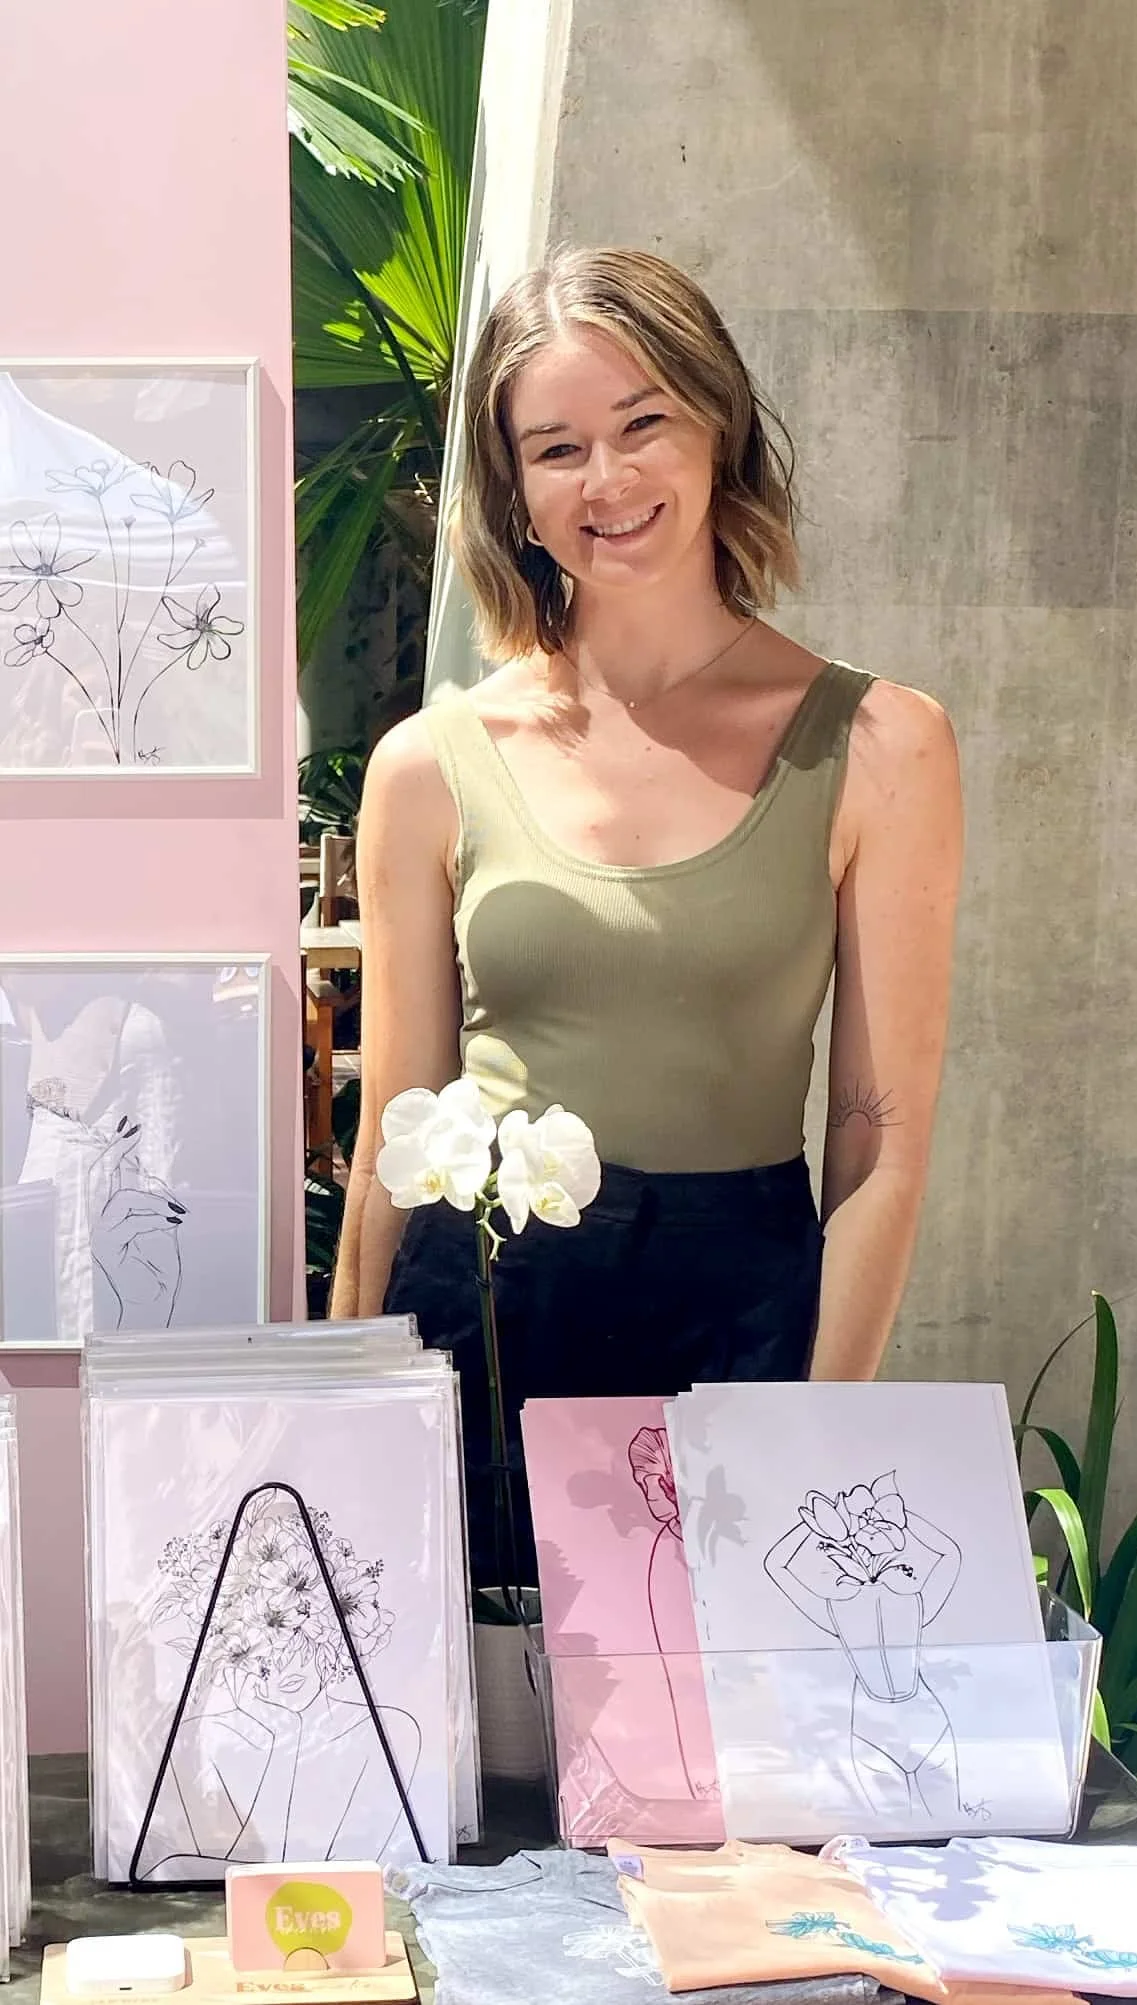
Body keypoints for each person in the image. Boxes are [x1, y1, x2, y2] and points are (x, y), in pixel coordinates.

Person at [332, 247, 963, 1586]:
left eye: (642, 426)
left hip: (736, 1309)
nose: (605, 484)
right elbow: (397, 1129)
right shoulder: (426, 766)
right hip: (480, 1313)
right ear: (512, 493)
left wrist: (808, 1430)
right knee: (486, 1779)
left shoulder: (881, 745)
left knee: (708, 1784)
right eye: (555, 449)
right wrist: (348, 1426)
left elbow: (877, 1142)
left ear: (715, 426)